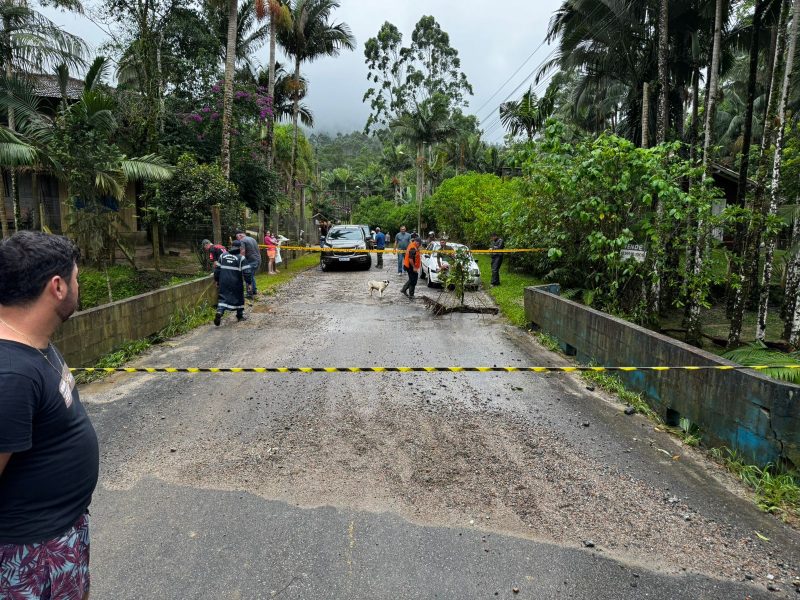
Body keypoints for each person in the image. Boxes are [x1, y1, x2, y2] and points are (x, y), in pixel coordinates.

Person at [0, 231, 98, 600]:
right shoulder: (10, 374)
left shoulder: (32, 342)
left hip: (58, 537)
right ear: (57, 287)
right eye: (76, 279)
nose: (78, 286)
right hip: (29, 557)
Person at [214, 240, 253, 325]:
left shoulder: (222, 256)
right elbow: (247, 272)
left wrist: (217, 280)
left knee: (223, 297)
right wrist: (249, 283)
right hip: (236, 283)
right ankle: (239, 316)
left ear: (231, 246)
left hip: (223, 281)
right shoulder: (241, 258)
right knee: (239, 297)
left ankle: (220, 312)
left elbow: (217, 270)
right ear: (240, 248)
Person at [236, 230, 261, 297]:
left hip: (252, 261)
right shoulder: (252, 239)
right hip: (258, 259)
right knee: (251, 275)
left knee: (247, 275)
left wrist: (241, 262)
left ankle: (249, 293)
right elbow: (258, 248)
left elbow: (243, 251)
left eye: (237, 237)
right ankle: (254, 291)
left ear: (240, 235)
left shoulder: (242, 240)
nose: (237, 239)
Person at [401, 234, 422, 300]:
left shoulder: (413, 245)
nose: (420, 246)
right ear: (417, 243)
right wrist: (414, 267)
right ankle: (411, 294)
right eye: (420, 244)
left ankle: (404, 289)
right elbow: (410, 259)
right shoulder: (413, 247)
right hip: (410, 266)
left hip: (409, 265)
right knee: (413, 280)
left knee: (412, 278)